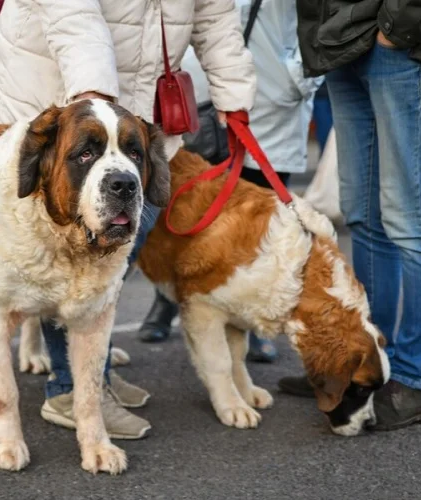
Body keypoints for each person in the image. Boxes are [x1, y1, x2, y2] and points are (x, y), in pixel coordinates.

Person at [0, 0, 256, 439]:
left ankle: (96, 371)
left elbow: (214, 12)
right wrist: (94, 96)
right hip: (58, 99)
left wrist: (233, 93)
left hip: (134, 112)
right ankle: (71, 390)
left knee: (117, 247)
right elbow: (72, 15)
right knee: (67, 255)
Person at [279, 0, 421, 430]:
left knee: (415, 224)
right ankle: (366, 359)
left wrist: (396, 28)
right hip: (343, 44)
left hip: (400, 44)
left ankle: (415, 379)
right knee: (364, 218)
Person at [138, 0, 324, 365]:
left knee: (262, 220)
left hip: (274, 88)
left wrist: (302, 74)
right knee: (188, 208)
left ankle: (253, 322)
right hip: (204, 91)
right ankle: (166, 299)